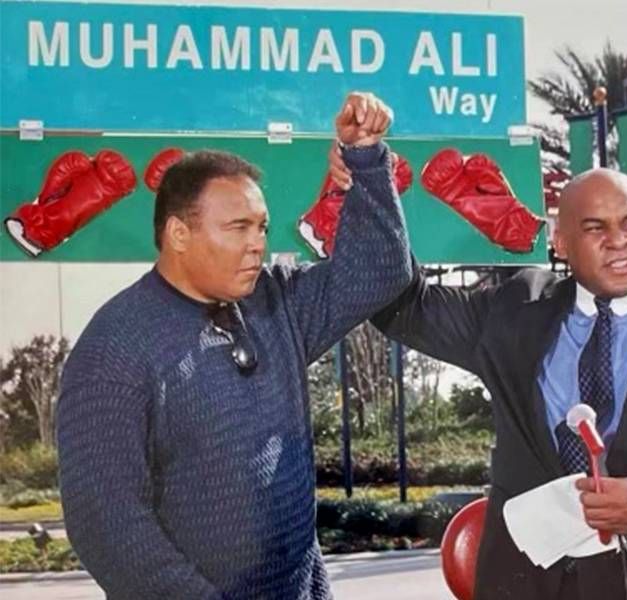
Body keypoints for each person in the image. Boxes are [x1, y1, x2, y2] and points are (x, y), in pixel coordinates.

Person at [331, 153, 627, 599]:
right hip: (519, 581)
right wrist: (368, 186)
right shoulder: (515, 307)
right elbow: (402, 307)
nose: (619, 241)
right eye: (595, 228)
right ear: (561, 243)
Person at [56, 92, 412, 600]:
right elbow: (106, 525)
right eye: (238, 227)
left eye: (262, 227)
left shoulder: (275, 303)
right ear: (179, 234)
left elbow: (379, 273)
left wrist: (367, 158)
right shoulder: (114, 347)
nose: (257, 243)